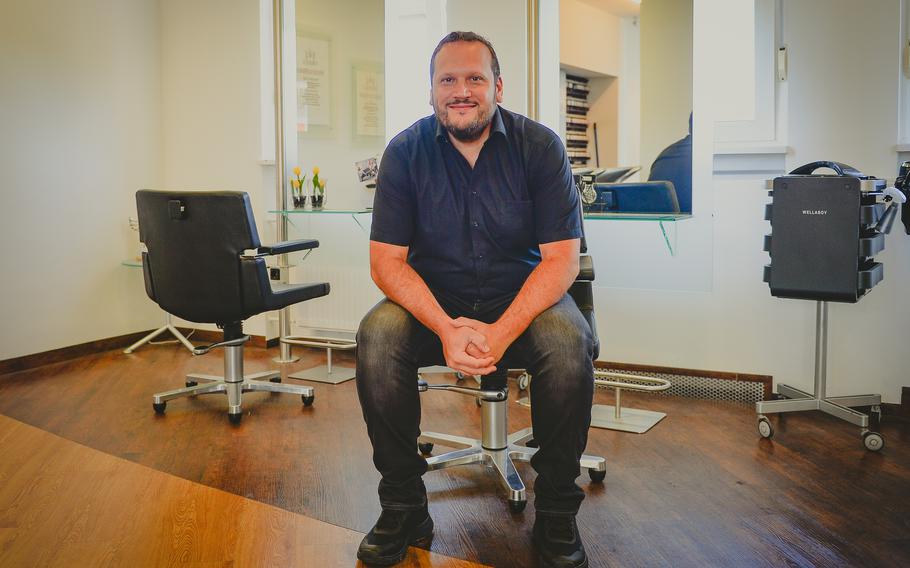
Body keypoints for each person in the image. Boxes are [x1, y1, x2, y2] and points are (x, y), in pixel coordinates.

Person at [355, 31, 595, 568]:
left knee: (565, 340)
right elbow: (386, 262)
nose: (460, 91)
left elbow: (561, 260)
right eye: (448, 80)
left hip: (524, 301)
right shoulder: (405, 151)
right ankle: (403, 506)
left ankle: (557, 513)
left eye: (474, 79)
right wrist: (445, 327)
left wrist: (500, 331)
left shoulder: (541, 147)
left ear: (498, 88)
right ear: (432, 91)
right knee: (377, 336)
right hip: (437, 303)